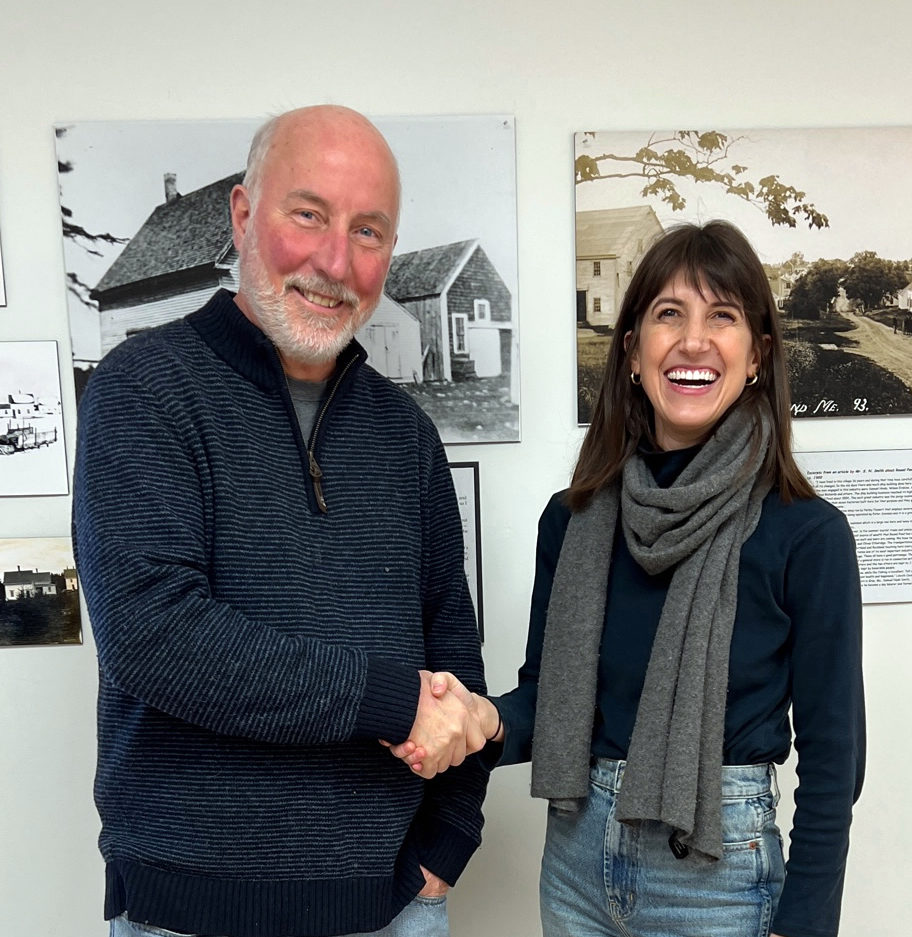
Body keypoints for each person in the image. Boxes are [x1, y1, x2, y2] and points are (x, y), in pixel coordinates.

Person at [73, 105, 489, 937]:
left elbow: (453, 657)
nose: (335, 260)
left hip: (392, 911)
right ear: (242, 214)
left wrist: (447, 846)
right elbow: (156, 636)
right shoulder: (140, 389)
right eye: (309, 215)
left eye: (368, 231)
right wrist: (391, 702)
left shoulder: (408, 435)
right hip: (187, 918)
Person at [394, 221, 865, 937]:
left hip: (718, 880)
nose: (694, 340)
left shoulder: (807, 534)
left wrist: (803, 924)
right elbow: (546, 700)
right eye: (668, 313)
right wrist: (482, 717)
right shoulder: (574, 518)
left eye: (724, 316)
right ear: (633, 351)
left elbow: (835, 760)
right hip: (577, 864)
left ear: (758, 355)